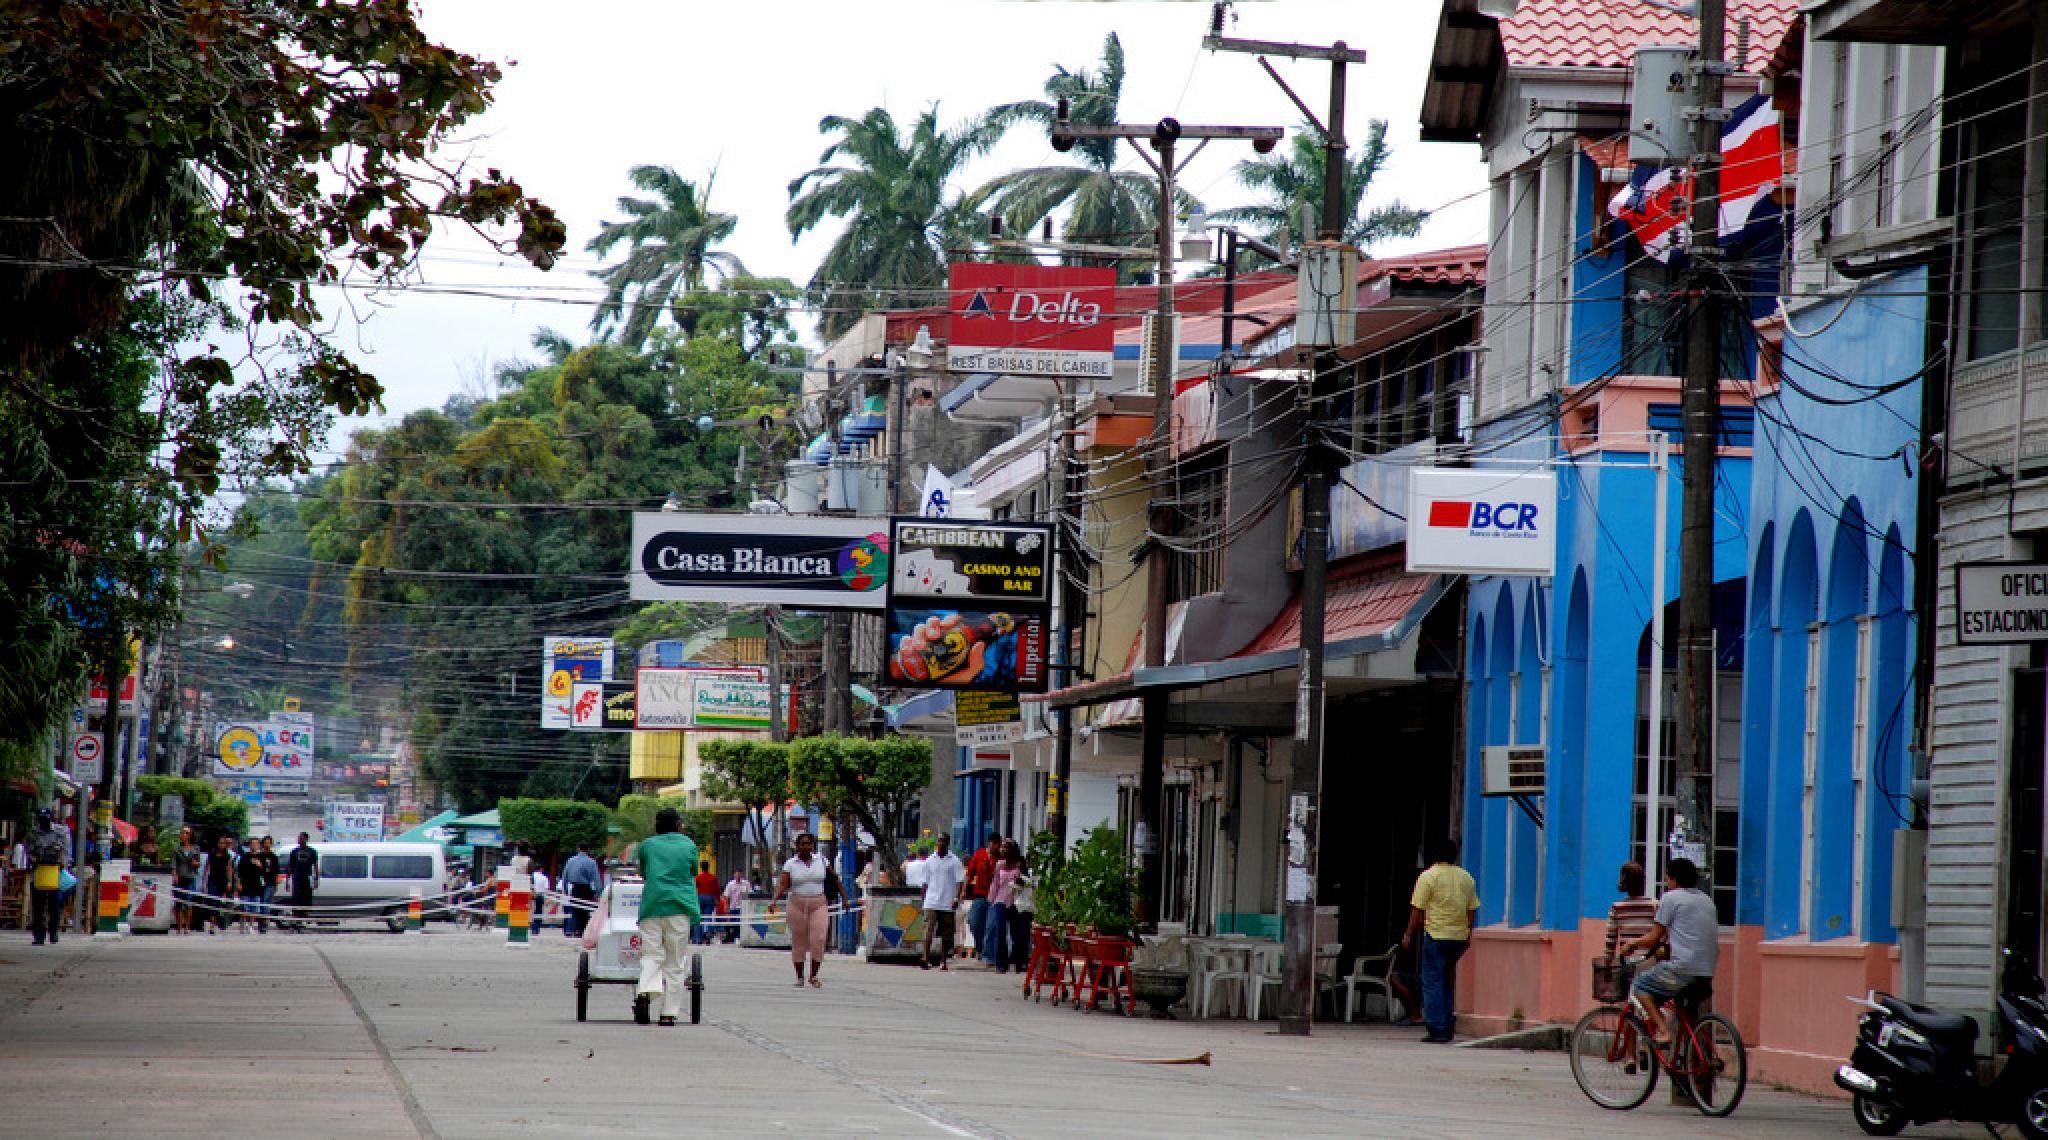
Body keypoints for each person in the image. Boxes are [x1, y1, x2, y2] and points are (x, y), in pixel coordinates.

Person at [1621, 857, 1719, 1047]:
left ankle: (1663, 1030)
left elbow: (1653, 938)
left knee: (1641, 985)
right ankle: (1685, 1061)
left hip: (1683, 969)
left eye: (1667, 878)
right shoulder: (1706, 900)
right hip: (1706, 971)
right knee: (1685, 1015)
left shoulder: (1670, 898)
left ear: (1674, 879)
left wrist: (1632, 944)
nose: (1666, 882)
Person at [1402, 837, 1479, 1044]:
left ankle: (1437, 1028)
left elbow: (1417, 909)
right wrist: (1468, 933)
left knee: (1433, 982)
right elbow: (1471, 909)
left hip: (1436, 935)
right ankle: (1448, 1024)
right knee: (1447, 981)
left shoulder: (1428, 877)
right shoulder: (1466, 878)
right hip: (1458, 938)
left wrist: (1408, 933)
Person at [632, 808, 700, 1027]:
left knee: (651, 954)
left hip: (652, 905)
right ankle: (668, 1013)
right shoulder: (689, 845)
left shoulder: (647, 846)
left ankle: (645, 991)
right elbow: (693, 871)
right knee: (675, 961)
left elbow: (644, 871)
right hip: (680, 906)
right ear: (678, 825)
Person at [772, 832, 833, 988]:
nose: (806, 847)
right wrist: (774, 900)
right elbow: (783, 884)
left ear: (812, 846)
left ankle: (813, 976)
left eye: (809, 844)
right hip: (796, 904)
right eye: (803, 844)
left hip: (818, 903)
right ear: (797, 846)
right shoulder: (790, 864)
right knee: (799, 941)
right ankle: (800, 976)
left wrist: (844, 897)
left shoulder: (822, 861)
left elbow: (835, 879)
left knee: (818, 939)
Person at [918, 833, 964, 971]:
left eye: (944, 841)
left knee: (946, 934)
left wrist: (957, 898)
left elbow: (959, 882)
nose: (941, 843)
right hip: (931, 901)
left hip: (947, 902)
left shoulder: (954, 861)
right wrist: (923, 900)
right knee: (928, 930)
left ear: (948, 843)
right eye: (939, 841)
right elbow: (924, 883)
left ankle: (943, 960)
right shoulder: (929, 861)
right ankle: (925, 957)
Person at [1603, 860, 1661, 964]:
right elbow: (1662, 935)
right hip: (1651, 961)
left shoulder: (1617, 908)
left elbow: (1610, 942)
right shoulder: (1655, 905)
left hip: (1627, 962)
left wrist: (1607, 965)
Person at [27, 808, 67, 946]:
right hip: (39, 872)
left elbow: (66, 852)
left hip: (54, 873)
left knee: (54, 906)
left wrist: (62, 863)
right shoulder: (34, 833)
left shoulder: (60, 832)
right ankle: (39, 935)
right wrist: (34, 859)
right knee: (38, 907)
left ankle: (53, 932)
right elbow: (30, 851)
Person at [986, 838, 1026, 973]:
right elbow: (995, 882)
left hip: (1015, 901)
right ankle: (1000, 964)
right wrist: (991, 899)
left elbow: (1026, 882)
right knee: (1000, 932)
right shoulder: (999, 864)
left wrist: (1020, 881)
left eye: (1006, 847)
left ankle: (1018, 961)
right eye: (1002, 847)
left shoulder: (1020, 864)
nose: (1003, 850)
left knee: (1016, 933)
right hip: (1000, 901)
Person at [962, 832, 1002, 967]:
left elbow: (998, 880)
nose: (995, 847)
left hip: (994, 897)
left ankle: (988, 957)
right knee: (974, 922)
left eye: (997, 844)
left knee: (990, 927)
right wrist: (963, 890)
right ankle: (979, 947)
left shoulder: (1000, 859)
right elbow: (970, 874)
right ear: (989, 843)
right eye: (993, 843)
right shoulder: (979, 854)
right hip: (979, 895)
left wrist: (989, 872)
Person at [560, 842, 602, 939]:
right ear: (588, 850)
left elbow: (565, 877)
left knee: (575, 910)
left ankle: (576, 930)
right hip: (586, 889)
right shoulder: (591, 862)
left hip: (574, 889)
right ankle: (583, 931)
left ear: (578, 849)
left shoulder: (570, 861)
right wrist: (597, 892)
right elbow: (596, 879)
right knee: (585, 911)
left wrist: (565, 891)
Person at [236, 834, 271, 932]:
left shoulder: (262, 857)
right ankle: (243, 924)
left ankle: (251, 925)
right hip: (245, 883)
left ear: (259, 845)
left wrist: (260, 865)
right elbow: (240, 871)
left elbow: (266, 871)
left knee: (254, 906)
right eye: (252, 844)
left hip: (257, 885)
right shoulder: (245, 856)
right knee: (244, 906)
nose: (254, 846)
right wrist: (239, 883)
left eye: (256, 844)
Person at [284, 832, 319, 929]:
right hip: (297, 878)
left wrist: (316, 879)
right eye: (299, 838)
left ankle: (304, 919)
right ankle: (296, 920)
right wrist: (287, 880)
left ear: (306, 839)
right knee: (296, 899)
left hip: (307, 878)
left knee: (306, 899)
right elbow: (290, 866)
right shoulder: (294, 851)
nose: (299, 840)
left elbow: (315, 865)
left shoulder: (312, 851)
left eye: (302, 838)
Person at [203, 834, 236, 932]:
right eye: (220, 843)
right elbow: (207, 868)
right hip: (212, 879)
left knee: (218, 902)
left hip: (222, 880)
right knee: (212, 901)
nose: (222, 845)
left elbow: (229, 869)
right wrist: (204, 880)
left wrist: (229, 882)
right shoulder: (211, 854)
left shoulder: (228, 856)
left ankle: (215, 923)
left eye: (224, 843)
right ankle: (212, 923)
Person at [173, 827, 202, 934]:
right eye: (182, 833)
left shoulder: (195, 848)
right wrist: (175, 874)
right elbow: (174, 863)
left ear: (190, 835)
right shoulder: (177, 849)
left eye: (185, 833)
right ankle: (179, 926)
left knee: (189, 903)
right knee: (178, 902)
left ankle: (187, 926)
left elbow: (199, 863)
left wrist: (196, 863)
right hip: (180, 876)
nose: (183, 835)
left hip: (191, 876)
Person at [719, 869, 751, 945]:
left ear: (741, 875)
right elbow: (726, 896)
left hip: (742, 907)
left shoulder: (746, 884)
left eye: (739, 875)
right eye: (736, 875)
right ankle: (729, 937)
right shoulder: (730, 884)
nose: (737, 876)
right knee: (731, 923)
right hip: (732, 906)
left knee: (739, 923)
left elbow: (750, 894)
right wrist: (726, 906)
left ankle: (737, 937)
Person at [693, 860, 720, 945]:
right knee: (708, 917)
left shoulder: (698, 877)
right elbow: (717, 890)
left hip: (700, 898)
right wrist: (718, 900)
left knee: (698, 918)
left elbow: (693, 889)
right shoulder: (713, 878)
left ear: (701, 867)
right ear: (708, 867)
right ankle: (707, 933)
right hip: (710, 898)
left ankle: (698, 938)